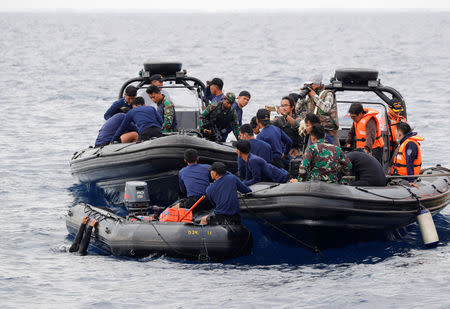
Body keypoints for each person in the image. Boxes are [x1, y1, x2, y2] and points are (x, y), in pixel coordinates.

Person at [295, 74, 339, 145]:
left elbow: (326, 108)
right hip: (314, 131)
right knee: (312, 152)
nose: (310, 87)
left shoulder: (328, 94)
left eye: (311, 85)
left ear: (318, 84)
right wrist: (302, 97)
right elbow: (297, 109)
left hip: (328, 131)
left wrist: (314, 96)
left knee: (333, 153)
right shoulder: (309, 96)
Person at [177, 149, 213, 214]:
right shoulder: (207, 167)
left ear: (185, 160)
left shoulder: (181, 172)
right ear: (198, 158)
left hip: (192, 203)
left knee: (175, 206)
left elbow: (183, 190)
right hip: (207, 201)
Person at [390, 122, 424, 187]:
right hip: (398, 176)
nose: (395, 133)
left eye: (396, 131)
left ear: (399, 133)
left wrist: (411, 180)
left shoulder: (410, 144)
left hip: (405, 178)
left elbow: (410, 162)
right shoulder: (404, 143)